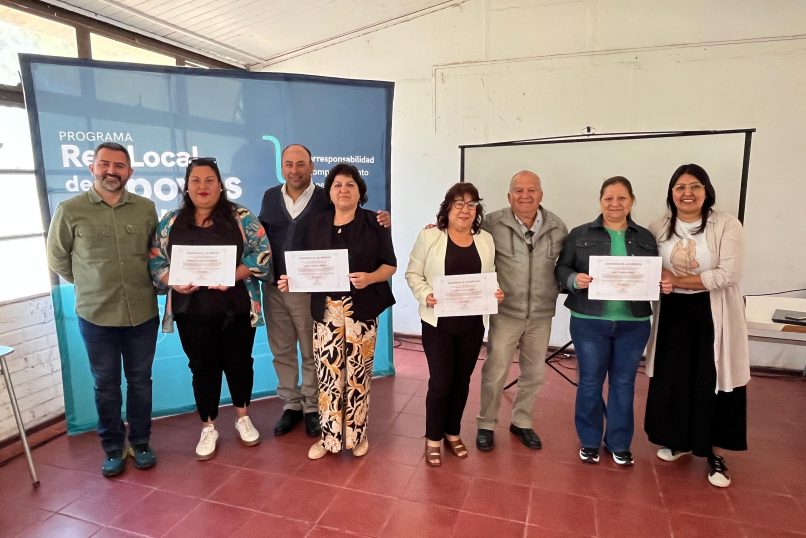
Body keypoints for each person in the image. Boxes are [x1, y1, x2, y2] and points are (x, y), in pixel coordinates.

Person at [258, 144, 389, 438]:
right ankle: (290, 404)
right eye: (289, 164)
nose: (294, 170)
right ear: (282, 167)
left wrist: (381, 220)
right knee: (281, 350)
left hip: (310, 290)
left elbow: (350, 218)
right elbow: (261, 237)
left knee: (311, 351)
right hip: (275, 287)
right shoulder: (269, 196)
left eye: (301, 164)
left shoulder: (325, 197)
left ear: (312, 166)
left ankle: (311, 407)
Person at [46, 142, 159, 477]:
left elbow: (156, 255)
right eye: (105, 164)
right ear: (92, 168)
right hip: (95, 315)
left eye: (119, 166)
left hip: (141, 312)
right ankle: (112, 447)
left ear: (130, 172)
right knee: (106, 385)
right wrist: (89, 282)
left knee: (140, 381)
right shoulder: (70, 210)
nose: (112, 171)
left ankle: (140, 442)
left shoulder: (145, 209)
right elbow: (57, 258)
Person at [149, 157, 272, 460]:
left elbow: (263, 253)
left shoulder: (241, 217)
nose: (202, 186)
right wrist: (173, 281)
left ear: (220, 185)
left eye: (209, 180)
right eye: (196, 181)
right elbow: (156, 260)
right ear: (186, 187)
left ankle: (242, 417)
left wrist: (233, 274)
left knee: (239, 363)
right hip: (191, 311)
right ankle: (208, 426)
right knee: (202, 368)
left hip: (236, 308)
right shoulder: (171, 222)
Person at [644, 164, 750, 488]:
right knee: (674, 377)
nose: (687, 193)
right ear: (671, 193)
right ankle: (679, 440)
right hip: (672, 313)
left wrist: (677, 280)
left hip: (712, 313)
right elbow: (648, 267)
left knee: (712, 379)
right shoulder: (658, 225)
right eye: (680, 187)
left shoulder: (726, 224)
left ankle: (715, 453)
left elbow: (728, 274)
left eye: (695, 186)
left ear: (706, 191)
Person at [554, 176, 658, 466]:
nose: (615, 203)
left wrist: (659, 282)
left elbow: (654, 272)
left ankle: (619, 443)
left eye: (621, 198)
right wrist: (574, 279)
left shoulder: (646, 237)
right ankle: (589, 441)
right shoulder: (580, 233)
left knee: (624, 384)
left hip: (634, 323)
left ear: (632, 201)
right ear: (600, 201)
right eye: (609, 198)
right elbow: (562, 268)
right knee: (590, 382)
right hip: (589, 321)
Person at [406, 182, 503, 467]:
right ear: (447, 208)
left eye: (471, 204)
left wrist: (495, 291)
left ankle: (452, 432)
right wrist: (426, 295)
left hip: (473, 324)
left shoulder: (485, 239)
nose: (465, 210)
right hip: (438, 323)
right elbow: (413, 274)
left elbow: (490, 274)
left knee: (461, 382)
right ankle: (433, 438)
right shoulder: (430, 236)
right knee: (440, 382)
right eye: (459, 204)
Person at [476, 170, 568, 452]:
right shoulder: (492, 223)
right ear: (509, 195)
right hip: (506, 312)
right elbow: (464, 239)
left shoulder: (557, 226)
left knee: (535, 374)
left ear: (540, 194)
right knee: (496, 371)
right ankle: (486, 424)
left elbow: (566, 266)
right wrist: (437, 228)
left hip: (541, 313)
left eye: (531, 190)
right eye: (519, 190)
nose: (525, 195)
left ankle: (522, 421)